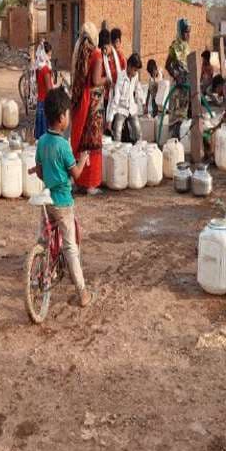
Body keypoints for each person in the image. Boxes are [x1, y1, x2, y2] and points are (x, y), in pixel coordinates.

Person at [34, 88, 94, 307]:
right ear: (61, 118)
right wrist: (83, 160)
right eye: (68, 114)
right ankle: (82, 292)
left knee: (44, 238)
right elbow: (76, 175)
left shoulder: (41, 142)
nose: (68, 118)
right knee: (70, 247)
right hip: (63, 202)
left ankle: (41, 265)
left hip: (46, 201)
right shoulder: (63, 146)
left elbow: (40, 172)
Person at [70, 22, 107, 195]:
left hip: (80, 101)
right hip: (93, 103)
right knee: (92, 141)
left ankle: (78, 181)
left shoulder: (79, 52)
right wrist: (108, 79)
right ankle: (91, 183)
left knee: (81, 139)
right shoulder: (97, 53)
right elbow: (95, 80)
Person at [110, 53, 144, 144]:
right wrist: (111, 116)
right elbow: (116, 96)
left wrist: (142, 101)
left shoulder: (135, 76)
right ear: (129, 66)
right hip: (121, 108)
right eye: (135, 70)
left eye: (137, 71)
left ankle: (139, 150)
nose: (136, 73)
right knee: (117, 131)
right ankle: (117, 152)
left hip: (131, 108)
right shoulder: (121, 77)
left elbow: (138, 88)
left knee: (138, 131)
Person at [34, 41, 54, 140]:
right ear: (44, 54)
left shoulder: (39, 68)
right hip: (45, 104)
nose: (50, 57)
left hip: (40, 103)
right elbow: (49, 89)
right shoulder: (45, 70)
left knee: (40, 138)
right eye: (49, 55)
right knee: (45, 137)